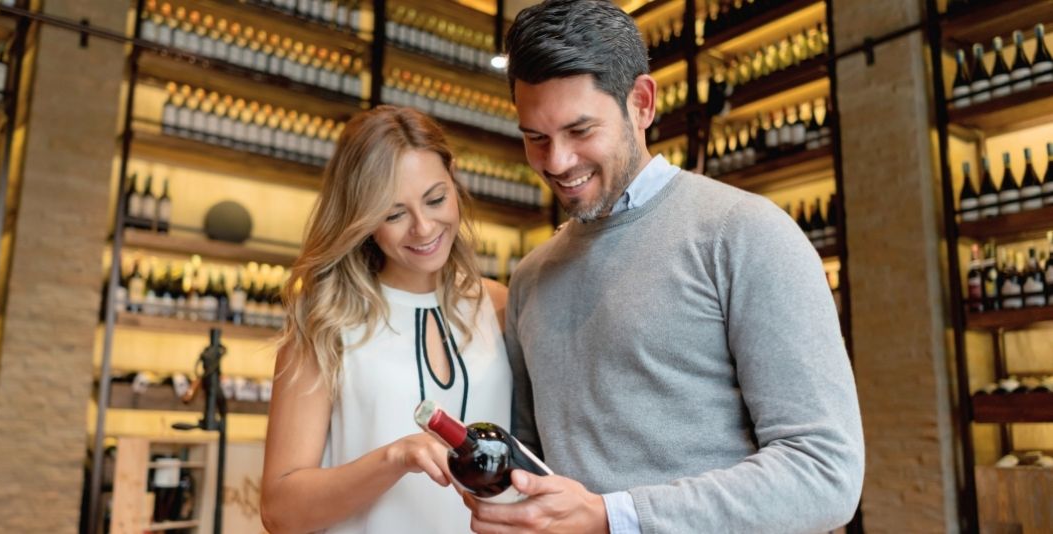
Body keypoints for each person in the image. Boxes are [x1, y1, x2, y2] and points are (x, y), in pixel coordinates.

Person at [464, 1, 865, 533]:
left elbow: (826, 472)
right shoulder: (532, 276)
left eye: (580, 130)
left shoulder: (745, 233)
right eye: (536, 138)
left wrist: (614, 518)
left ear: (642, 103)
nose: (557, 162)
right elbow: (534, 464)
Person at [260, 105, 512, 534]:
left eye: (435, 199)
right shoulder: (325, 325)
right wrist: (394, 458)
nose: (423, 227)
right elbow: (280, 511)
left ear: (453, 178)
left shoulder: (500, 306)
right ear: (363, 219)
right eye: (394, 214)